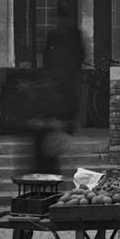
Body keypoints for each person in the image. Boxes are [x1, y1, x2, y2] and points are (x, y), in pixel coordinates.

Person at [30, 12, 85, 177]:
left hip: (69, 76)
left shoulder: (74, 35)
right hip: (57, 77)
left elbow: (80, 53)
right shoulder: (53, 35)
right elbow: (47, 54)